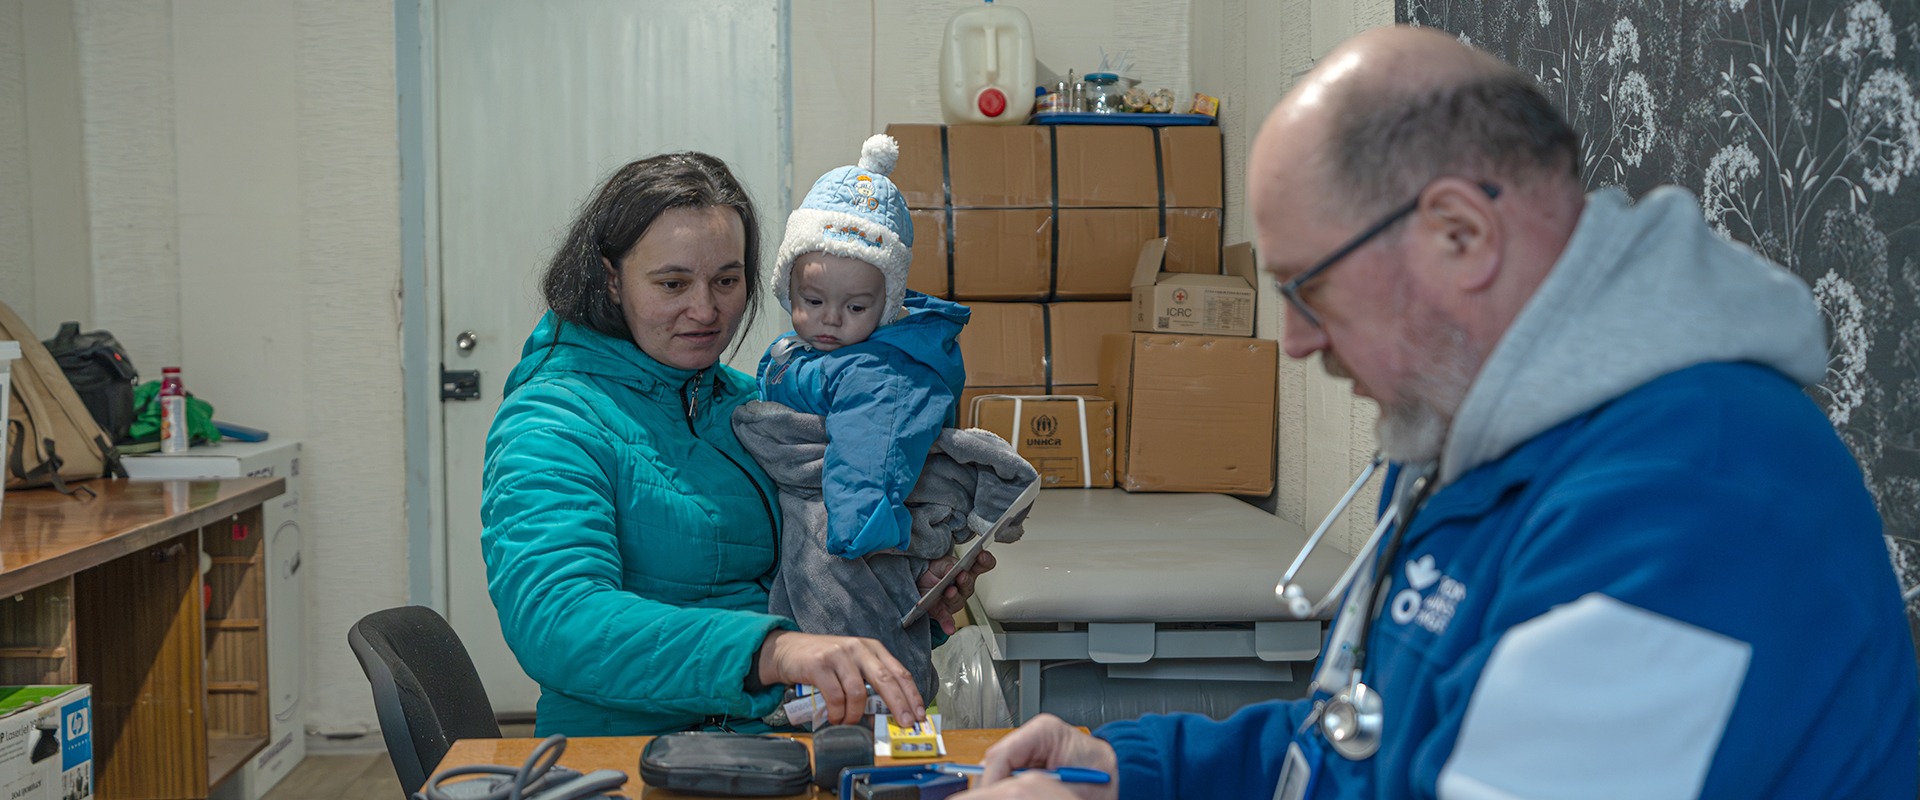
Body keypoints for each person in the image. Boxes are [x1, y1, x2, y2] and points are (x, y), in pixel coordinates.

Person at [958, 25, 1919, 799]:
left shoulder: (1697, 498)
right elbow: (1365, 731)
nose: (1291, 341)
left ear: (1462, 235)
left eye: (1309, 289)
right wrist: (1133, 772)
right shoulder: (1464, 442)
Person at [480, 150, 991, 737]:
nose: (706, 310)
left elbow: (813, 574)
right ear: (609, 279)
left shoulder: (749, 407)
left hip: (783, 728)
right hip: (633, 751)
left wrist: (901, 585)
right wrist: (772, 653)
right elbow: (557, 621)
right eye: (672, 283)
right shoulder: (552, 421)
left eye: (726, 280)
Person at [738, 133, 992, 702]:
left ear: (888, 302)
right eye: (811, 300)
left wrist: (865, 528)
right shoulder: (813, 351)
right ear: (787, 287)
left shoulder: (881, 373)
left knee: (849, 622)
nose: (830, 320)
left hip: (852, 527)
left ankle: (868, 714)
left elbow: (868, 456)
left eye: (855, 307)